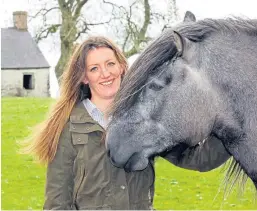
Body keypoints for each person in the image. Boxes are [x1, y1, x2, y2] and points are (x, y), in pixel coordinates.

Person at [24, 36, 230, 210]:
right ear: (84, 77)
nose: (105, 73)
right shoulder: (66, 128)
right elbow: (57, 203)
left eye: (110, 64)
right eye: (94, 68)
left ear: (122, 67)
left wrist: (233, 123)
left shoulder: (146, 118)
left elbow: (199, 159)